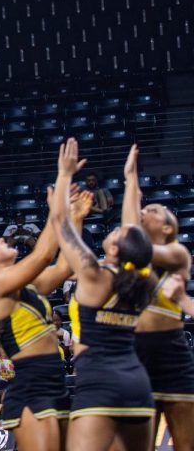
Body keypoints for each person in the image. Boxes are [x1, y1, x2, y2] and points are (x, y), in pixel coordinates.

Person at [0, 140, 92, 450]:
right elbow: (45, 252)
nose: (1, 239)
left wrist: (77, 218)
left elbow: (64, 266)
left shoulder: (24, 286)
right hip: (31, 385)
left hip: (53, 381)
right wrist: (62, 179)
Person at [49, 144, 156, 450]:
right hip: (137, 384)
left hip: (99, 381)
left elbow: (60, 224)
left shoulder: (93, 274)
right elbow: (134, 228)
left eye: (117, 234)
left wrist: (64, 174)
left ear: (113, 250)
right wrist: (131, 179)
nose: (116, 230)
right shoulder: (141, 279)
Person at [120, 144, 194, 451]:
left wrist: (132, 193)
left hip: (172, 350)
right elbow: (130, 239)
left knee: (186, 442)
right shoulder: (133, 257)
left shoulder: (177, 252)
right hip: (136, 351)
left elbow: (134, 243)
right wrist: (129, 179)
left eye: (153, 210)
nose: (145, 211)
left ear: (167, 227)